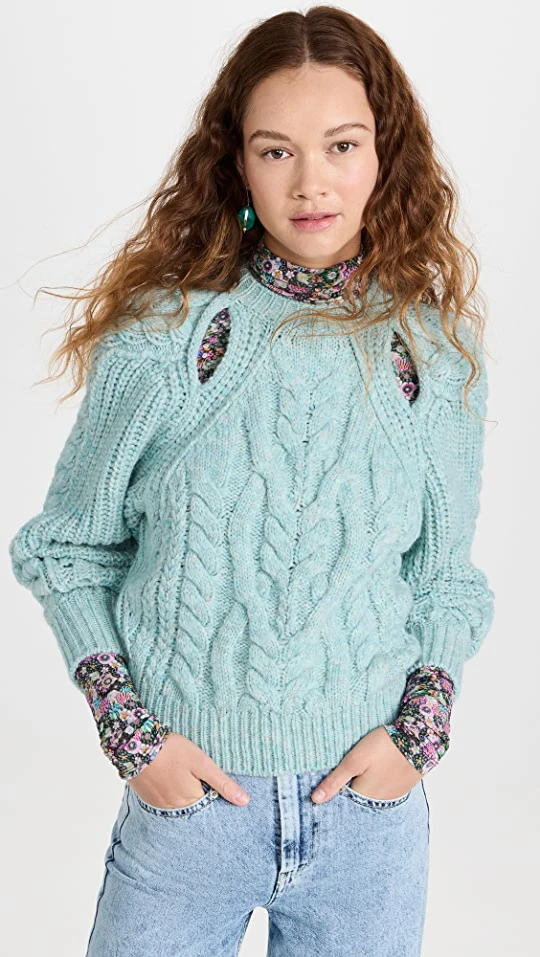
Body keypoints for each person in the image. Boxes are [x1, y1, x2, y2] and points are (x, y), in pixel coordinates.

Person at [8, 7, 495, 956]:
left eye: (341, 145)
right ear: (237, 164)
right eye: (277, 151)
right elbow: (66, 550)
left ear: (384, 154)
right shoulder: (169, 340)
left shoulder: (431, 357)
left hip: (368, 825)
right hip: (189, 815)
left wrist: (418, 736)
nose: (311, 181)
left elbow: (444, 581)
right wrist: (132, 736)